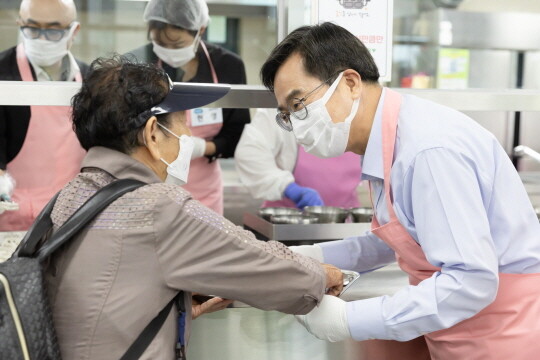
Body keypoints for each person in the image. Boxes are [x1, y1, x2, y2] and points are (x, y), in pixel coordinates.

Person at [260, 22, 540, 359]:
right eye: (287, 115)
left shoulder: (426, 151)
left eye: (299, 104)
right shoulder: (388, 140)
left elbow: (472, 282)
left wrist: (349, 319)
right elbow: (399, 240)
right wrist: (308, 258)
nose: (297, 124)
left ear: (349, 83)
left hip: (500, 335)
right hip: (460, 328)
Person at [44, 55, 343, 359]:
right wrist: (324, 275)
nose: (187, 137)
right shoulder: (158, 207)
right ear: (153, 134)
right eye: (182, 124)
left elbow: (103, 295)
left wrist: (173, 307)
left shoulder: (69, 196)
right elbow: (258, 260)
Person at [127, 0, 250, 214]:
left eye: (176, 45)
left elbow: (236, 134)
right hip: (150, 187)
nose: (168, 51)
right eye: (160, 44)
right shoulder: (137, 64)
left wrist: (201, 147)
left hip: (204, 192)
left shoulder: (228, 66)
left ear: (200, 30)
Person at [0, 0, 88, 230]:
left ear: (74, 30)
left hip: (74, 219)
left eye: (53, 30)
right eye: (32, 28)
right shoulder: (2, 75)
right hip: (12, 222)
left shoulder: (92, 80)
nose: (41, 38)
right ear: (20, 24)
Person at [235, 108, 362, 209]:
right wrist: (287, 187)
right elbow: (251, 153)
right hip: (289, 220)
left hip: (343, 221)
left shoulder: (359, 112)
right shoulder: (284, 109)